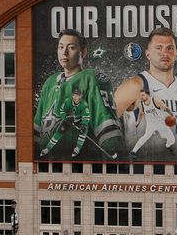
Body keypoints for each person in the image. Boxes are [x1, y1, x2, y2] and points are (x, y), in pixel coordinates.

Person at [35, 30, 125, 160]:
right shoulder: (49, 82)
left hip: (80, 165)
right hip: (47, 163)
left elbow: (104, 119)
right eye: (61, 47)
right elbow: (37, 126)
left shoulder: (92, 78)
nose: (64, 52)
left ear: (83, 52)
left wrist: (116, 153)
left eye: (71, 47)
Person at [114, 29, 177, 162]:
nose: (165, 53)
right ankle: (134, 151)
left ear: (176, 54)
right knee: (146, 137)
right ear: (148, 54)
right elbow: (104, 120)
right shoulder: (133, 86)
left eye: (170, 48)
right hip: (141, 171)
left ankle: (169, 147)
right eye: (159, 48)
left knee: (170, 138)